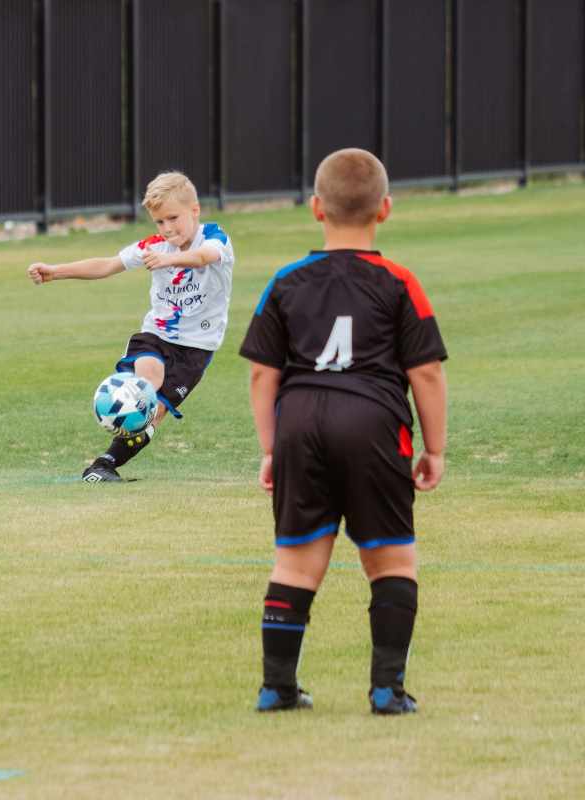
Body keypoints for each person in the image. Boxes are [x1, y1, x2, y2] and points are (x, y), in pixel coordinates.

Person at [238, 148, 448, 715]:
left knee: (295, 564)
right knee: (392, 562)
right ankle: (387, 689)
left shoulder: (285, 281)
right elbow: (424, 370)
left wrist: (270, 447)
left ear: (315, 208)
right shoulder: (400, 282)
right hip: (375, 424)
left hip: (301, 424)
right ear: (385, 208)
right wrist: (434, 448)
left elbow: (263, 371)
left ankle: (276, 687)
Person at [27, 172, 235, 482]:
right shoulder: (155, 245)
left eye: (173, 218)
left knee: (155, 413)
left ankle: (106, 462)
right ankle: (102, 462)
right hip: (156, 335)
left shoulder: (215, 237)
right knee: (146, 386)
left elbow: (204, 257)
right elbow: (108, 264)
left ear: (195, 211)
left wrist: (171, 262)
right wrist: (56, 271)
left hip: (197, 347)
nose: (166, 229)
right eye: (159, 222)